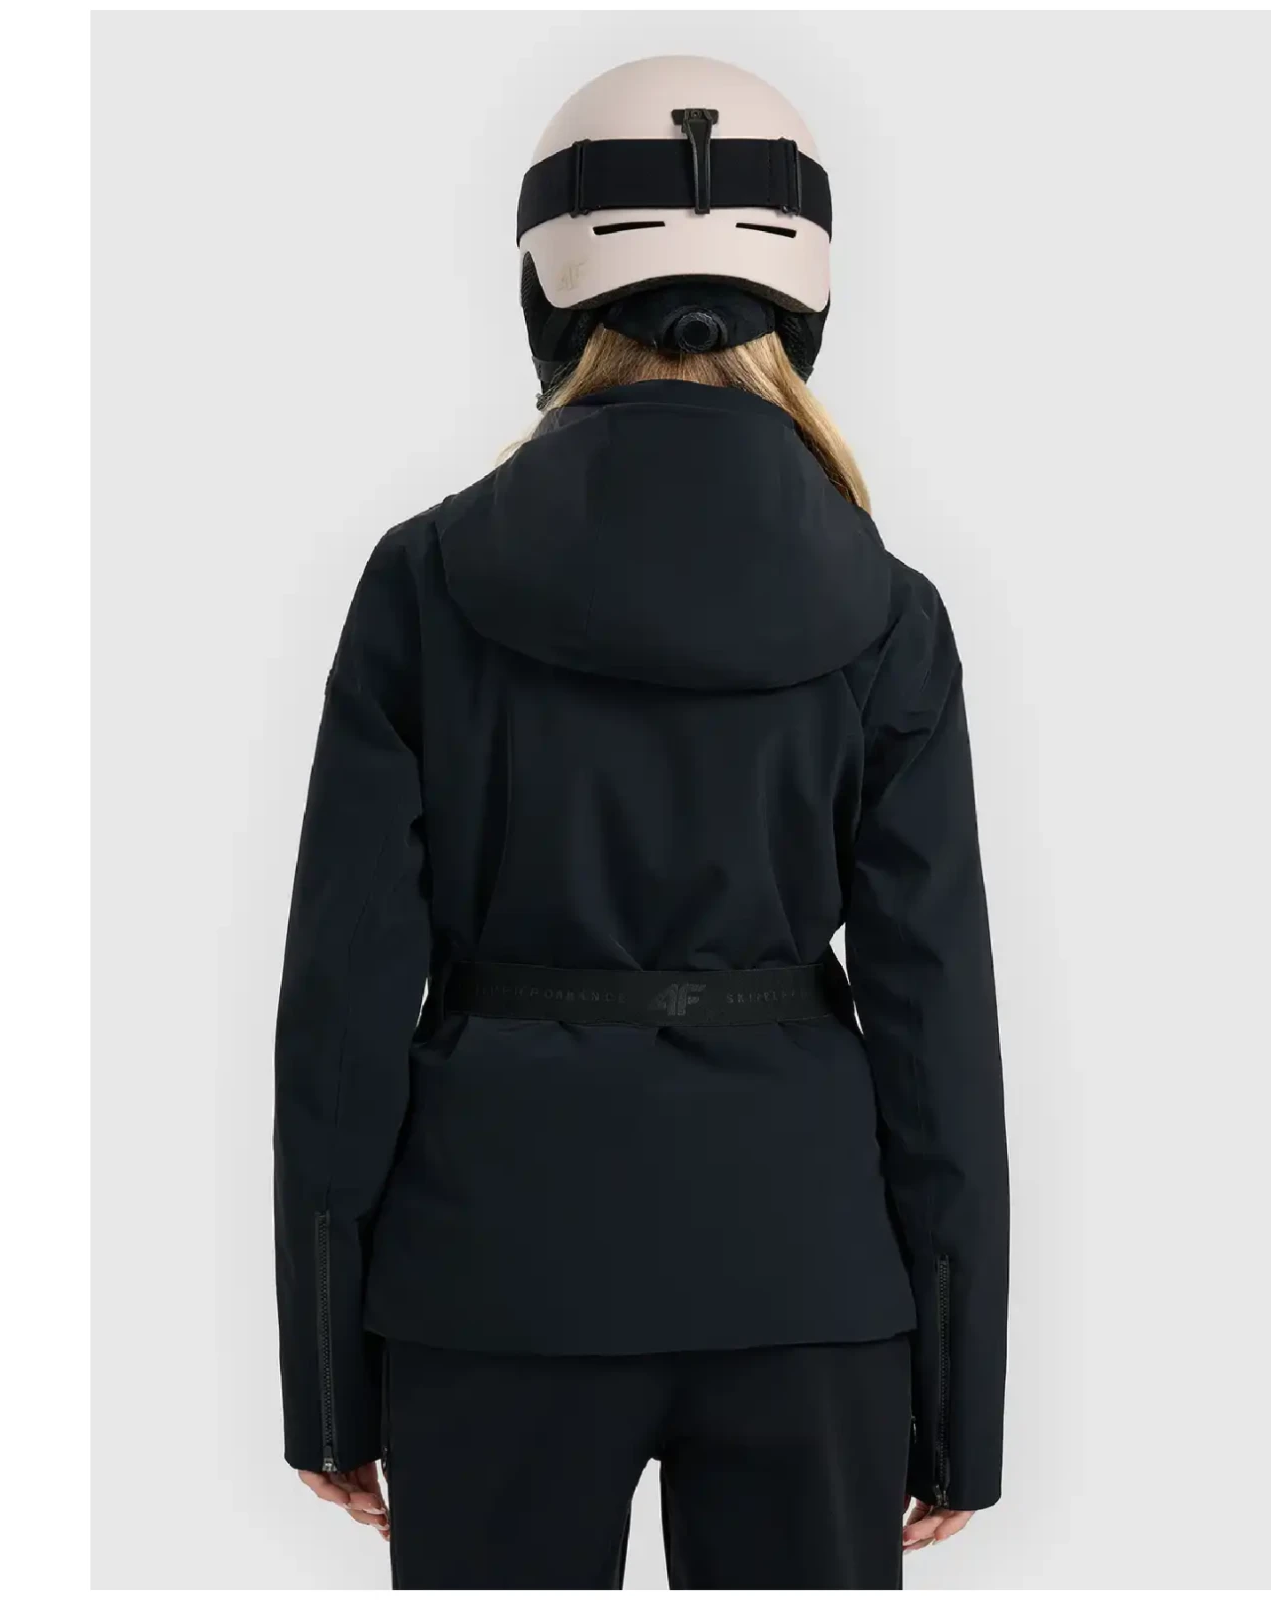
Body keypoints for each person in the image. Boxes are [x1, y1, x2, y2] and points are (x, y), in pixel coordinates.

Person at [273, 54, 1009, 1590]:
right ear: (806, 290)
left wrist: (328, 1379)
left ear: (547, 284)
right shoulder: (888, 613)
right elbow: (935, 1022)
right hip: (803, 1271)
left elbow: (342, 1007)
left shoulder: (424, 584)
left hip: (495, 1274)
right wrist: (960, 1405)